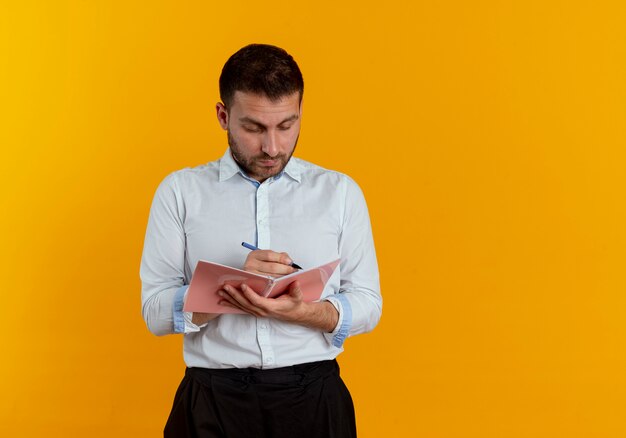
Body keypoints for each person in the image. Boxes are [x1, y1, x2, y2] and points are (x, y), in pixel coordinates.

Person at [140, 43, 382, 438]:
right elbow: (154, 313)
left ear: (300, 113)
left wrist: (305, 313)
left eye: (286, 126)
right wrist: (230, 288)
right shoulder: (180, 192)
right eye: (254, 128)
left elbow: (368, 303)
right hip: (212, 402)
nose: (272, 147)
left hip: (314, 400)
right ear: (223, 115)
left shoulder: (340, 193)